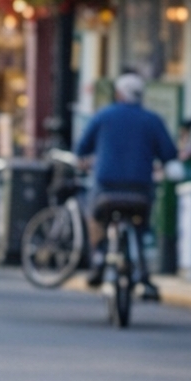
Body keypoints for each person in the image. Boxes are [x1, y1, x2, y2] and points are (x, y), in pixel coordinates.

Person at [75, 71, 178, 299]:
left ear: (119, 94)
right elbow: (169, 153)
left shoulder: (103, 116)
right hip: (140, 191)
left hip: (106, 190)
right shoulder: (152, 119)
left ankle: (100, 257)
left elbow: (81, 148)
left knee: (93, 214)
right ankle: (144, 274)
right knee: (139, 227)